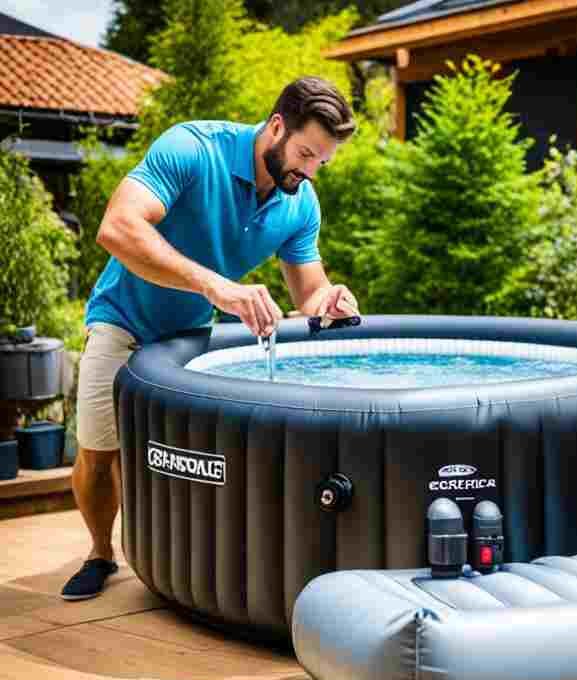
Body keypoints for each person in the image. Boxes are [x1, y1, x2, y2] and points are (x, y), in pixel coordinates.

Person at [62, 77, 360, 600]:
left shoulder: (299, 202)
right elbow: (117, 227)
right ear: (275, 127)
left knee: (182, 455)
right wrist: (216, 285)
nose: (310, 171)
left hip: (189, 336)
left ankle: (169, 557)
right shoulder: (192, 148)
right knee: (99, 452)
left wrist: (332, 301)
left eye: (323, 163)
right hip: (122, 319)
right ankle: (100, 552)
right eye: (306, 153)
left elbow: (309, 294)